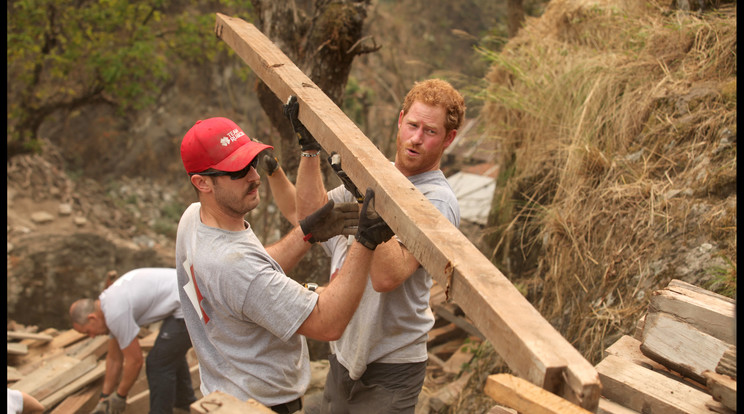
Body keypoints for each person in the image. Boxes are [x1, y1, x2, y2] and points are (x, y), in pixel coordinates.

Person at [175, 116, 394, 414]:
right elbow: (327, 321)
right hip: (261, 406)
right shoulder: (233, 266)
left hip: (225, 391)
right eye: (238, 171)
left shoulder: (193, 219)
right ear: (202, 183)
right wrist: (365, 241)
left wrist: (306, 233)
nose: (254, 176)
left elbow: (252, 273)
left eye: (251, 162)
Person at [289, 78, 465, 413]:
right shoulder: (376, 175)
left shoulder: (437, 200)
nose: (416, 138)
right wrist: (310, 150)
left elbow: (387, 277)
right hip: (345, 353)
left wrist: (363, 194)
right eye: (412, 125)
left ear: (449, 138)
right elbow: (311, 217)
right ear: (400, 120)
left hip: (392, 367)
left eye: (430, 131)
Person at [69, 268, 197, 414]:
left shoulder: (114, 313)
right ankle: (183, 406)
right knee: (168, 355)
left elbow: (135, 362)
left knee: (157, 363)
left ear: (92, 318)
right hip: (186, 296)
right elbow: (114, 360)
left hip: (190, 301)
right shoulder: (108, 305)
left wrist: (120, 395)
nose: (91, 336)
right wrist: (104, 398)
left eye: (88, 332)